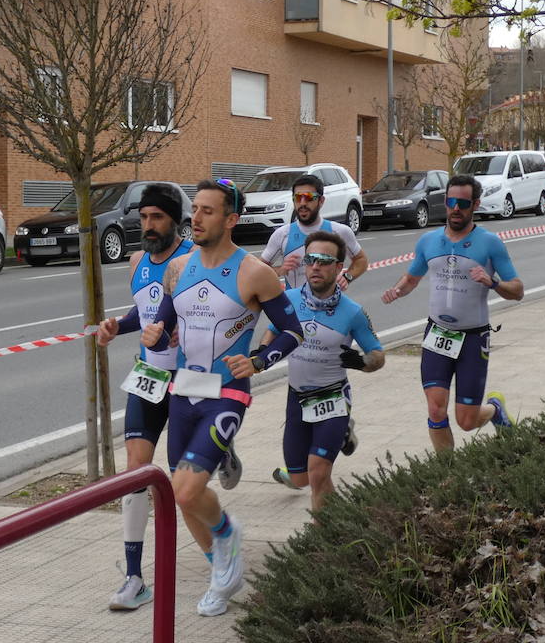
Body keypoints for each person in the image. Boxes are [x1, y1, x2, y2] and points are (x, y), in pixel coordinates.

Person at [141, 179, 304, 616]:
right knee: (180, 494)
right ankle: (221, 566)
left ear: (230, 219)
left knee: (191, 490)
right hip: (183, 392)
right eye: (195, 209)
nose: (195, 218)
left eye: (207, 211)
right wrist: (154, 336)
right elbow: (162, 332)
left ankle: (227, 533)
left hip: (226, 393)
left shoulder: (254, 272)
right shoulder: (179, 268)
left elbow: (292, 331)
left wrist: (259, 360)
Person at [96, 184, 195, 612]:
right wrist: (119, 324)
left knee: (183, 474)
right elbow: (146, 309)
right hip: (149, 374)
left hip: (192, 375)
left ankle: (221, 450)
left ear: (175, 220)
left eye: (157, 218)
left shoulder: (192, 259)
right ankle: (135, 577)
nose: (148, 226)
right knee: (136, 470)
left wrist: (184, 327)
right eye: (144, 218)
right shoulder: (137, 261)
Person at [381, 174, 524, 451]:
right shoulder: (427, 241)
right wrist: (397, 290)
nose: (455, 208)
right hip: (438, 335)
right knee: (436, 410)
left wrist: (492, 282)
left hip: (472, 338)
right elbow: (412, 278)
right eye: (450, 202)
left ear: (476, 204)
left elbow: (517, 290)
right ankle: (445, 475)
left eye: (462, 203)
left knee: (467, 421)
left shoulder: (490, 243)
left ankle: (494, 409)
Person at [266, 231, 385, 510]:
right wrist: (261, 357)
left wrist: (363, 363)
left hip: (333, 398)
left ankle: (325, 538)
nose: (315, 266)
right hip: (297, 398)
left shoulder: (353, 312)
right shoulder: (289, 300)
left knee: (319, 473)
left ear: (338, 267)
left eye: (323, 261)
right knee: (301, 477)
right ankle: (344, 436)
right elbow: (271, 333)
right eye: (310, 260)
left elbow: (378, 355)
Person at [260, 173, 368, 291]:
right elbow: (259, 270)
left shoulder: (340, 232)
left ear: (321, 201)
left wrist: (347, 277)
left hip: (329, 307)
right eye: (297, 198)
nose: (302, 203)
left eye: (308, 197)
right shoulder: (282, 234)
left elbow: (361, 260)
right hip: (295, 307)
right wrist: (280, 270)